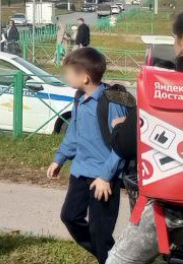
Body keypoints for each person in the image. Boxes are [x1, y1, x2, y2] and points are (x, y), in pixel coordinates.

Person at [105, 15, 183, 264]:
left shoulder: (166, 86)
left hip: (171, 206)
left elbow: (126, 145)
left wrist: (122, 129)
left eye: (174, 39)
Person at [49, 47, 128, 264]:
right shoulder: (79, 97)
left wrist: (105, 176)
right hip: (81, 170)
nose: (66, 77)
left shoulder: (111, 102)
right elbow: (74, 131)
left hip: (104, 177)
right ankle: (114, 257)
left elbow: (121, 144)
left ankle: (111, 257)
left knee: (99, 231)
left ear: (84, 77)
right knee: (69, 216)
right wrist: (60, 158)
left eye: (69, 73)